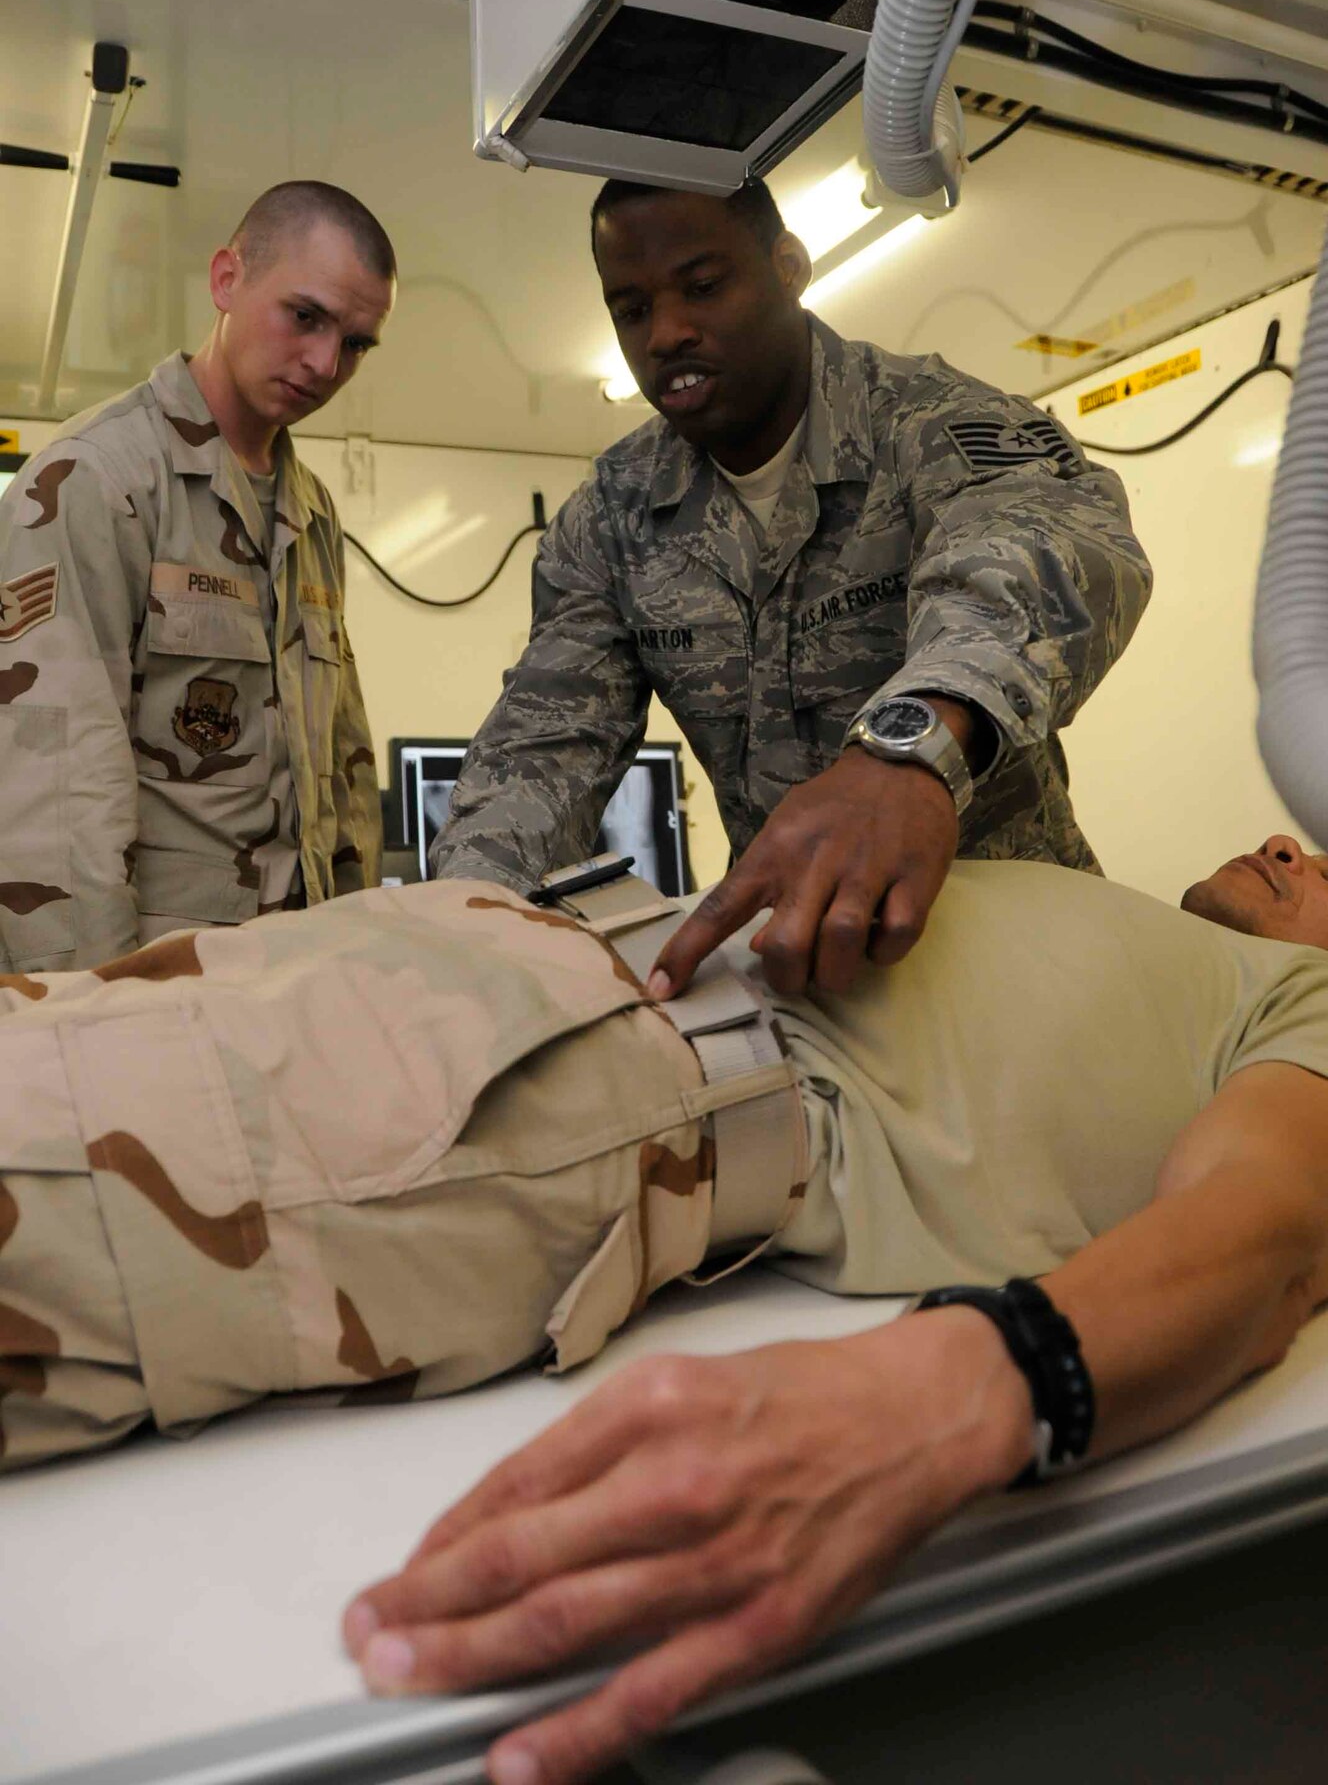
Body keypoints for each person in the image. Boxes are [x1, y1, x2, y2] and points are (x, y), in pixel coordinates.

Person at [6, 831, 1328, 1773]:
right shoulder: (1118, 911)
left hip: (565, 1077)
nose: (1288, 841)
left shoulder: (1299, 1003)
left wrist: (965, 1386)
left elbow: (1260, 1231)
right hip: (471, 962)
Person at [431, 178, 1152, 998]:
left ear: (789, 266)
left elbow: (1046, 552)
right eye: (631, 310)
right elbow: (544, 744)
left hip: (1019, 961)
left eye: (703, 287)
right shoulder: (613, 516)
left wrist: (912, 750)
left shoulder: (928, 420)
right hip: (800, 973)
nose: (666, 333)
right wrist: (461, 919)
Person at [0, 181, 393, 974]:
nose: (324, 363)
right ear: (226, 280)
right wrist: (95, 1012)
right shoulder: (95, 480)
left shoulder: (310, 509)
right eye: (305, 316)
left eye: (355, 343)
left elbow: (342, 768)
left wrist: (361, 964)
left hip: (297, 978)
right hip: (161, 984)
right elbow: (54, 785)